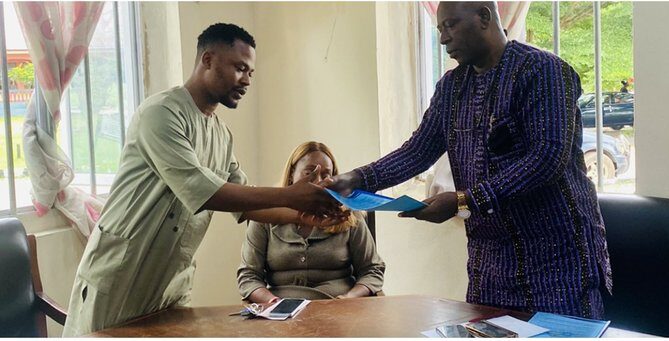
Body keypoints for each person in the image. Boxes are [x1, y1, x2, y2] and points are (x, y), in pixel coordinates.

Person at [330, 2, 612, 319]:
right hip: (490, 264)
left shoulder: (543, 71)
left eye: (450, 25)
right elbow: (417, 151)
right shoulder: (452, 87)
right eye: (439, 30)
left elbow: (547, 157)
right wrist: (355, 179)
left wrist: (465, 199)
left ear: (484, 17)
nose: (443, 39)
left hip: (557, 261)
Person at [62, 23, 344, 336]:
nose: (247, 80)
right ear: (207, 60)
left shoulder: (221, 135)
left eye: (250, 72)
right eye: (240, 68)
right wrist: (293, 196)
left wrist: (313, 214)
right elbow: (207, 193)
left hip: (170, 282)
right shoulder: (161, 114)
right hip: (121, 274)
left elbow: (248, 205)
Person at [237, 141, 385, 303]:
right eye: (309, 173)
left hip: (339, 311)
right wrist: (273, 303)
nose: (319, 182)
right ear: (292, 175)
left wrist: (348, 299)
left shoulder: (348, 215)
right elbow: (249, 276)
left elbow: (372, 270)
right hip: (279, 316)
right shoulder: (265, 215)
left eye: (326, 174)